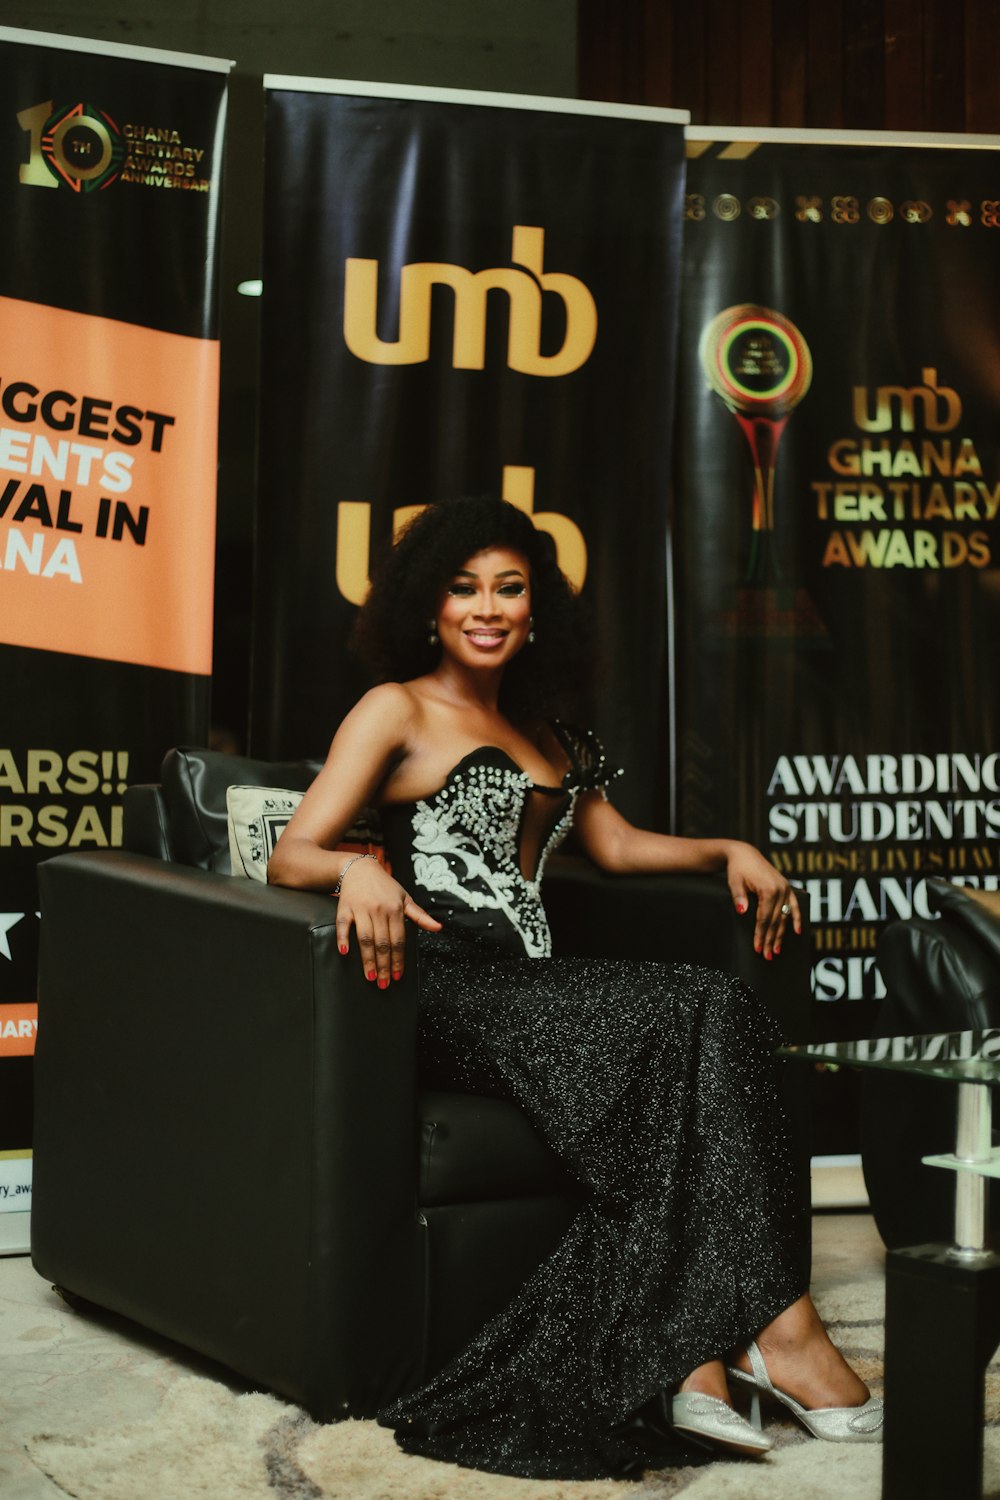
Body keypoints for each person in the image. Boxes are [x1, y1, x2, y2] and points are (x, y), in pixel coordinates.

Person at [267, 496, 882, 1480]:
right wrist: (359, 868)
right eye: (463, 587)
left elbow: (613, 845)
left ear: (536, 609)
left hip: (537, 993)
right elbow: (293, 851)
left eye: (508, 588)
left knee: (715, 1005)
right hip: (445, 994)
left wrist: (727, 847)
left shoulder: (548, 734)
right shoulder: (397, 707)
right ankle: (780, 1333)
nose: (486, 606)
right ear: (429, 606)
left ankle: (699, 1355)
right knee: (694, 1003)